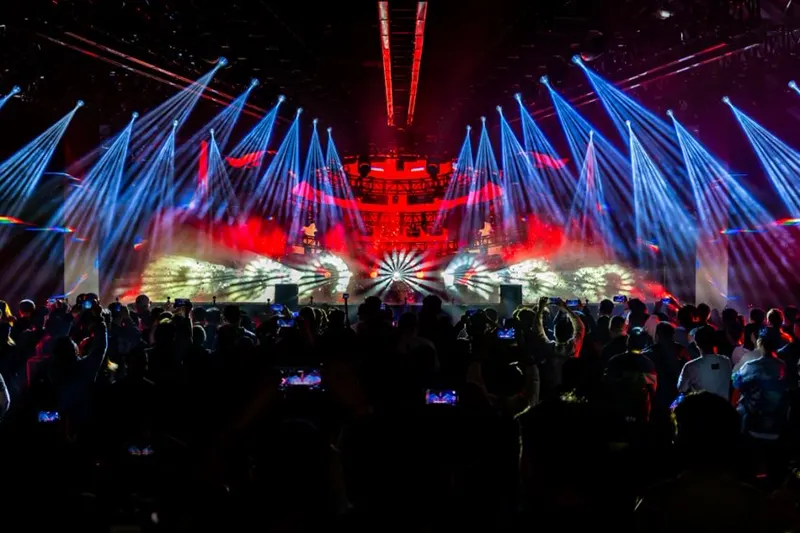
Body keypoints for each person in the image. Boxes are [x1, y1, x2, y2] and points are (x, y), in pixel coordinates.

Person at [733, 329, 788, 440]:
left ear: (760, 343)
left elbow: (736, 383)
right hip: (777, 422)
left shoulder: (750, 366)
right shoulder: (782, 366)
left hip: (753, 422)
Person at [603, 327, 658, 431]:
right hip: (640, 410)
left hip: (618, 408)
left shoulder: (615, 361)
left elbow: (607, 384)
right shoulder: (647, 364)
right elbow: (652, 389)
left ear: (628, 342)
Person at [534, 297, 585, 399]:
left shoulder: (549, 348)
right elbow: (580, 327)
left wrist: (540, 309)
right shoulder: (573, 346)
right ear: (570, 333)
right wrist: (566, 308)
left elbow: (537, 330)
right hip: (572, 388)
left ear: (554, 334)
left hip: (551, 391)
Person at [677, 326, 732, 401]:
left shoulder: (690, 366)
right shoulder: (726, 361)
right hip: (724, 407)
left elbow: (682, 388)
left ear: (696, 344)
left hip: (703, 408)